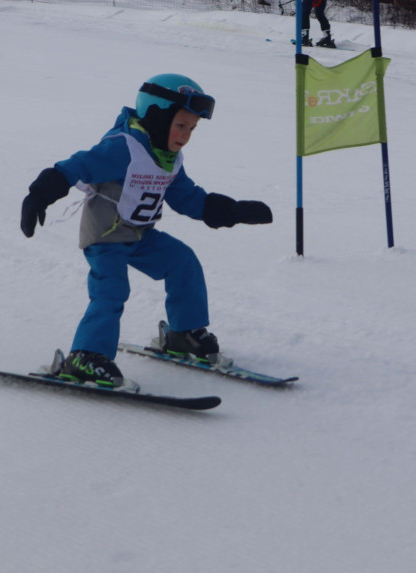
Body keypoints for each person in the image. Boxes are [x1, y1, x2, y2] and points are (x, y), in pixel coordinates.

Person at [20, 74, 273, 388]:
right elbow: (77, 166)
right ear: (156, 115)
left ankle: (183, 333)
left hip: (140, 235)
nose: (186, 136)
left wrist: (232, 211)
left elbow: (188, 198)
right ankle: (86, 355)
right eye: (180, 125)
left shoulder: (169, 159)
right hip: (106, 237)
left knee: (182, 261)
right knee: (111, 290)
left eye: (192, 128)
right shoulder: (123, 148)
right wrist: (39, 195)